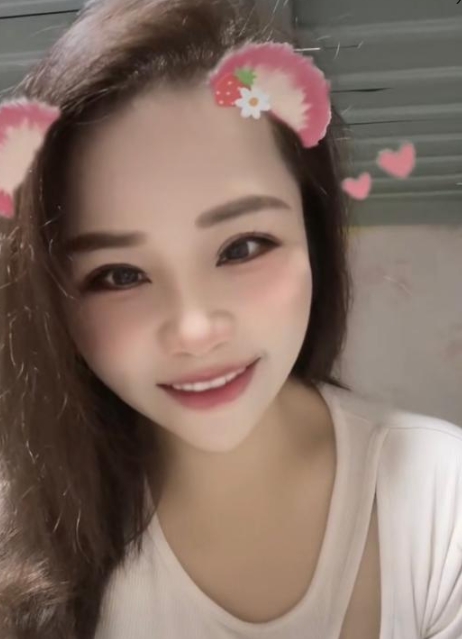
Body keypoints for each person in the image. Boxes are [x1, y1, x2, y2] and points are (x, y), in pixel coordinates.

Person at [0, 0, 461, 637]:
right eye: (119, 275)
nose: (195, 330)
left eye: (242, 247)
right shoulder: (22, 526)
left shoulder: (442, 503)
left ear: (312, 229)